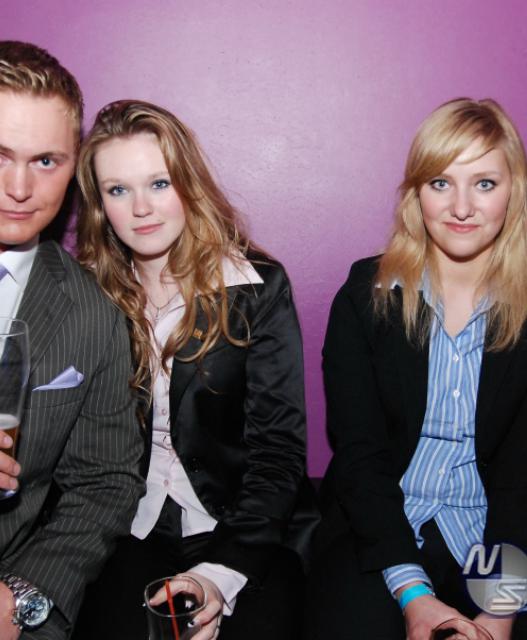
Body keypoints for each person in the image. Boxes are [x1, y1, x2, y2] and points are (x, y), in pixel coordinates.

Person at [304, 98, 527, 640]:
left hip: (496, 531)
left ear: (514, 192)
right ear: (416, 194)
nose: (461, 207)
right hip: (382, 528)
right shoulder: (365, 296)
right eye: (440, 183)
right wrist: (414, 594)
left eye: (484, 184)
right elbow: (360, 455)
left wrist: (499, 610)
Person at [71, 99, 316, 640]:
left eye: (158, 184)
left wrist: (217, 575)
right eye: (118, 190)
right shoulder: (87, 294)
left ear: (188, 183)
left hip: (240, 527)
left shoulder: (257, 288)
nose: (141, 208)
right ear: (99, 204)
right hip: (126, 527)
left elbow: (278, 453)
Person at [0, 41, 145, 639]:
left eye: (45, 161)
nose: (18, 187)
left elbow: (105, 483)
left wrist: (22, 597)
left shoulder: (93, 313)